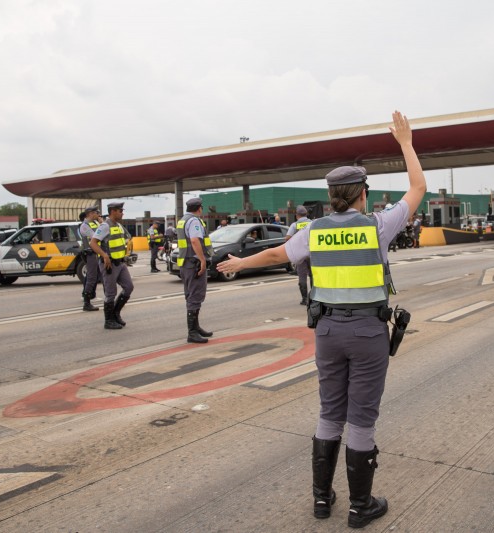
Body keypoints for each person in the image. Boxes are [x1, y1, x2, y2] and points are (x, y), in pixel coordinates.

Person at [217, 111, 425, 528]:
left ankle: (321, 500)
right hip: (367, 332)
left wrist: (240, 263)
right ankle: (360, 507)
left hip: (327, 332)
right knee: (362, 418)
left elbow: (277, 254)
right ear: (362, 193)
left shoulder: (314, 231)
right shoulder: (377, 226)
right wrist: (405, 142)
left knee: (330, 413)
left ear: (333, 196)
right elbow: (418, 187)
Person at [89, 202, 133, 330]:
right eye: (120, 211)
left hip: (120, 263)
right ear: (113, 211)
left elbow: (126, 238)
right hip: (109, 264)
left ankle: (116, 313)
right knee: (110, 293)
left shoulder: (119, 225)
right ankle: (108, 320)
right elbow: (93, 243)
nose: (122, 213)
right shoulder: (105, 226)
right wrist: (104, 255)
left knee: (129, 287)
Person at [177, 197, 214, 343]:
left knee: (191, 295)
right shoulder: (194, 221)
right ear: (199, 208)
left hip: (185, 263)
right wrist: (202, 260)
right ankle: (192, 332)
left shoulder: (182, 220)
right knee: (195, 296)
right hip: (194, 264)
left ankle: (196, 327)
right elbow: (194, 240)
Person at [285, 205, 312, 305]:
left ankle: (304, 299)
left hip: (300, 254)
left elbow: (287, 238)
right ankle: (314, 298)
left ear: (297, 215)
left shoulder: (294, 225)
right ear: (306, 214)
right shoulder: (312, 223)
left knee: (302, 276)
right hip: (311, 254)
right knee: (313, 276)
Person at [79, 206, 102, 311]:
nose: (97, 214)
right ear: (90, 214)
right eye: (96, 212)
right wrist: (102, 226)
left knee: (98, 276)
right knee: (91, 277)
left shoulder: (95, 223)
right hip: (91, 253)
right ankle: (86, 303)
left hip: (97, 253)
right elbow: (96, 236)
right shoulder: (84, 226)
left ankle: (92, 295)